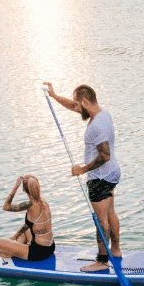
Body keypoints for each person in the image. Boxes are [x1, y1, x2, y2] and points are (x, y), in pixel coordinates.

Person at [43, 82, 122, 272]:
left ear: (85, 102)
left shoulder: (97, 127)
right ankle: (116, 251)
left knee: (101, 220)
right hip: (112, 173)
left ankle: (102, 261)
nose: (75, 108)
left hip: (100, 176)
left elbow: (104, 155)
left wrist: (82, 169)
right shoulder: (103, 113)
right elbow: (73, 105)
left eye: (78, 105)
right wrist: (54, 96)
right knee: (110, 212)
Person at [0, 175, 55, 262]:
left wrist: (16, 186)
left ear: (24, 190)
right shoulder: (44, 201)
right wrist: (14, 236)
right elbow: (29, 224)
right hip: (50, 247)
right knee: (24, 230)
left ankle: (12, 252)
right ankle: (15, 247)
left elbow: (6, 207)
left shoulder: (29, 205)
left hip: (38, 253)